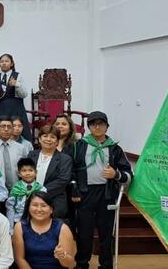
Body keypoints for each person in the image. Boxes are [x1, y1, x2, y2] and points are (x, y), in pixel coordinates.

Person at [64, 111, 132, 269]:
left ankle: (106, 265)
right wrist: (74, 187)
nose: (97, 126)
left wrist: (116, 174)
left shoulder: (115, 149)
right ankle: (82, 264)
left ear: (107, 126)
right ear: (88, 127)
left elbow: (128, 175)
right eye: (93, 123)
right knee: (84, 234)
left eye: (101, 123)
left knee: (106, 234)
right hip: (85, 194)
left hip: (107, 195)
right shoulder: (78, 146)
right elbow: (69, 170)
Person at [12, 192, 76, 269]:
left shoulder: (63, 228)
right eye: (35, 205)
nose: (39, 209)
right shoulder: (20, 227)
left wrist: (62, 256)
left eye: (44, 205)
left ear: (51, 209)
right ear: (28, 207)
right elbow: (19, 259)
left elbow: (71, 264)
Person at [28, 125, 72, 219]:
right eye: (45, 136)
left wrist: (42, 191)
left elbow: (63, 180)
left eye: (52, 137)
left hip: (54, 201)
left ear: (57, 141)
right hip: (32, 200)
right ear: (39, 139)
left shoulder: (65, 159)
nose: (48, 139)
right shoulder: (31, 155)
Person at [0, 53, 31, 141]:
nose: (4, 63)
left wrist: (16, 84)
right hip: (0, 108)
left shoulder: (17, 75)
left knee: (16, 130)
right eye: (2, 61)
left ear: (11, 63)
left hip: (15, 107)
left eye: (6, 61)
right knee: (2, 131)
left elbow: (24, 94)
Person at [0, 116, 31, 191]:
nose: (6, 129)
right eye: (3, 126)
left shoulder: (20, 148)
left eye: (9, 127)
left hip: (17, 189)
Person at [6, 158, 45, 232]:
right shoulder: (15, 189)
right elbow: (10, 208)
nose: (27, 173)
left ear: (36, 172)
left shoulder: (41, 189)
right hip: (18, 221)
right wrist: (11, 228)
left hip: (37, 221)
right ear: (19, 174)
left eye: (30, 170)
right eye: (24, 171)